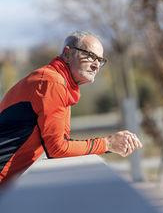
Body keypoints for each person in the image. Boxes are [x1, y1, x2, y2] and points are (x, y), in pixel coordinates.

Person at [0, 31, 142, 186]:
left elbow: (62, 143)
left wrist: (109, 145)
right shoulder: (52, 82)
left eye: (100, 60)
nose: (96, 65)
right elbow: (57, 149)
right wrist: (108, 144)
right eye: (90, 56)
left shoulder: (61, 83)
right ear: (67, 54)